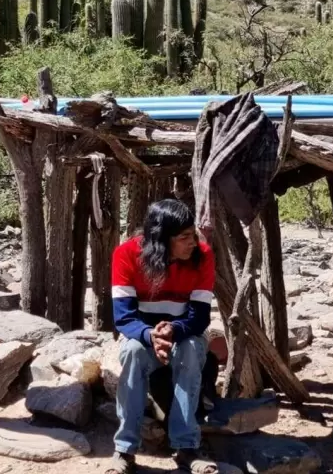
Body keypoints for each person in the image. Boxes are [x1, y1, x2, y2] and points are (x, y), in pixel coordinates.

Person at [106, 199, 216, 474]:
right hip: (142, 334)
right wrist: (149, 336)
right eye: (184, 237)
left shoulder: (203, 255)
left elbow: (200, 317)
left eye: (193, 234)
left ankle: (187, 447)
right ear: (162, 239)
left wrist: (173, 331)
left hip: (185, 333)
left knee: (190, 351)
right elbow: (124, 318)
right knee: (132, 353)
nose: (193, 243)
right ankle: (125, 449)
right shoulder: (126, 254)